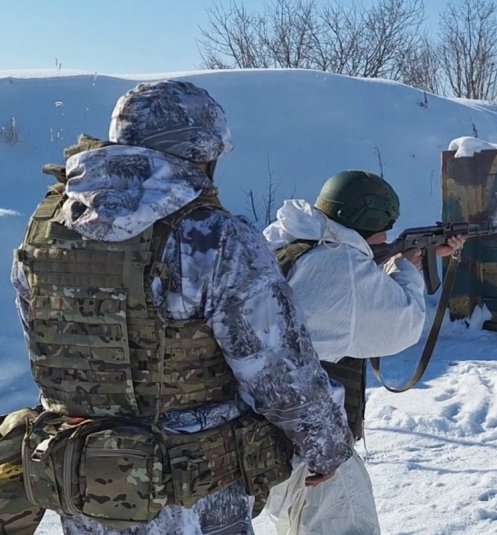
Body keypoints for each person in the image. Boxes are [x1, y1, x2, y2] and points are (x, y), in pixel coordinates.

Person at [10, 80, 352, 535]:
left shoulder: (50, 227)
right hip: (196, 487)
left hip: (88, 482)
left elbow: (44, 337)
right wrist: (325, 444)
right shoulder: (213, 237)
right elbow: (278, 367)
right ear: (201, 152)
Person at [263, 170, 464, 534]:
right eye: (385, 228)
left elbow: (349, 294)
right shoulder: (339, 265)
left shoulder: (296, 244)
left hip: (277, 429)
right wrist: (408, 266)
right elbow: (402, 325)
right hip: (315, 439)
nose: (387, 237)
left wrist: (408, 256)